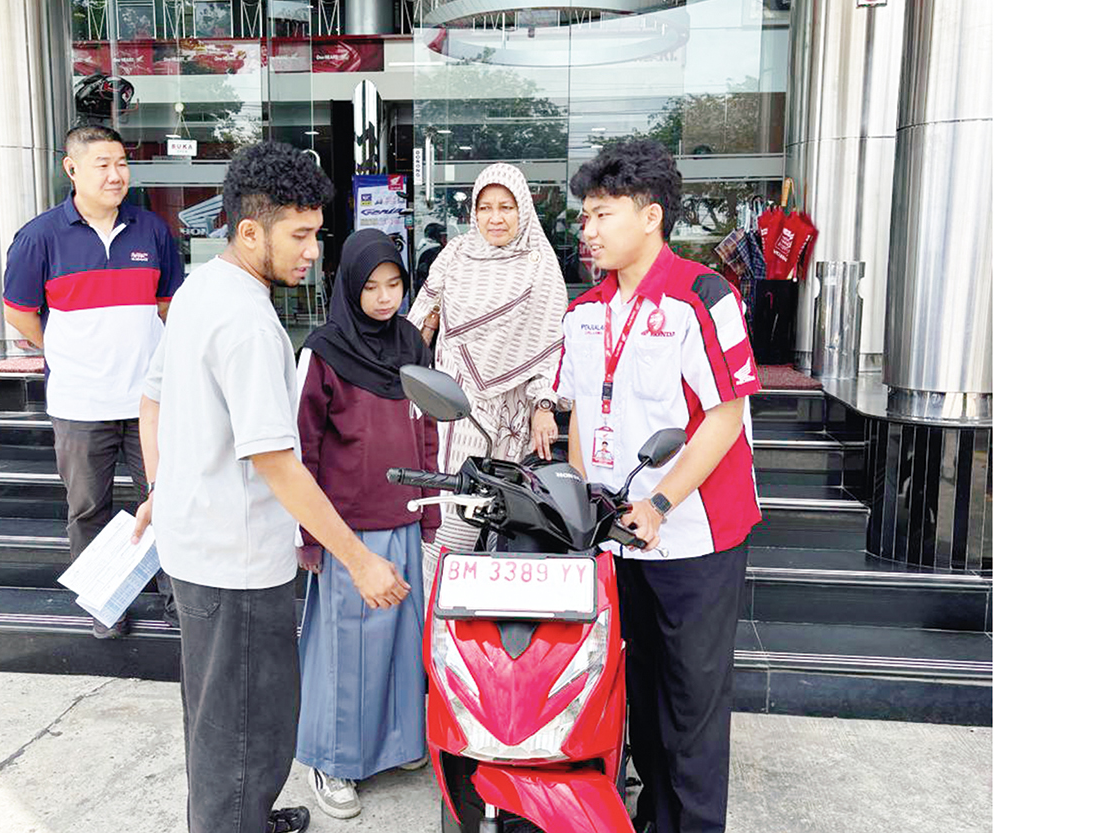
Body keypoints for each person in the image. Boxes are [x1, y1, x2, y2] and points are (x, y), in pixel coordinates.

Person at [131, 141, 410, 833]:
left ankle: (244, 815)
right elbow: (278, 460)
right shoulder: (251, 322)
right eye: (302, 234)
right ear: (250, 230)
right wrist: (359, 557)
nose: (314, 250)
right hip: (237, 561)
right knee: (248, 729)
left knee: (218, 718)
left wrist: (164, 488)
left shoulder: (200, 289)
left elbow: (154, 400)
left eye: (317, 233)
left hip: (195, 546)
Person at [556, 138, 762, 833]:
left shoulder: (704, 297)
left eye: (602, 214)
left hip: (695, 536)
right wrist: (583, 497)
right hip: (620, 538)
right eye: (584, 216)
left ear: (651, 216)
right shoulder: (584, 311)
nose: (588, 229)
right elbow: (583, 407)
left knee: (693, 704)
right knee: (640, 695)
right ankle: (653, 820)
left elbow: (727, 413)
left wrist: (663, 500)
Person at [1, 124, 184, 639]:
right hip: (79, 403)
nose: (115, 173)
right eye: (102, 163)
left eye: (121, 162)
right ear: (72, 168)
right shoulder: (39, 237)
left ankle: (176, 601)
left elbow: (169, 308)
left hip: (148, 401)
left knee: (164, 497)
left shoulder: (151, 231)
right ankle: (104, 603)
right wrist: (69, 352)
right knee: (88, 507)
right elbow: (19, 314)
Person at [293, 228, 439, 820]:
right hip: (348, 529)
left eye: (395, 284)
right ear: (349, 287)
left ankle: (399, 745)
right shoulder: (325, 351)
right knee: (348, 648)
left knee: (403, 640)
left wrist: (429, 504)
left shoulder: (410, 340)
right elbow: (299, 449)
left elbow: (427, 426)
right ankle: (332, 761)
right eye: (372, 287)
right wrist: (309, 535)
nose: (384, 298)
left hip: (403, 517)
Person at [405, 162, 568, 591]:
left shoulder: (540, 264)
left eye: (506, 207)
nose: (495, 218)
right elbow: (421, 316)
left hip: (510, 410)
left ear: (523, 210)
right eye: (485, 207)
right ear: (473, 212)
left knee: (497, 512)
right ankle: (434, 623)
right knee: (448, 513)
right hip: (453, 402)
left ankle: (481, 627)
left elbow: (550, 341)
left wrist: (544, 406)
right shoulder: (456, 254)